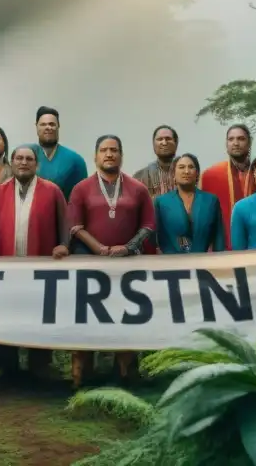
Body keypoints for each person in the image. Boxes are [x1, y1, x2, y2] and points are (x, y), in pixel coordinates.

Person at [66, 135, 155, 387]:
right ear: (95, 157)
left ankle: (126, 373)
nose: (109, 154)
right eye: (103, 150)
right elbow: (75, 226)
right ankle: (82, 375)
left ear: (121, 156)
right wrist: (101, 249)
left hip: (128, 266)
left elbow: (148, 224)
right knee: (88, 319)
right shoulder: (81, 188)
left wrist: (128, 248)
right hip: (91, 264)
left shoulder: (137, 188)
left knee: (126, 317)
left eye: (114, 150)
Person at [0, 145, 69, 379]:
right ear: (12, 162)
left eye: (29, 159)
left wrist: (64, 245)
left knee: (38, 316)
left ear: (36, 164)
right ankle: (7, 367)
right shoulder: (0, 192)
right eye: (19, 158)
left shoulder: (52, 191)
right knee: (7, 316)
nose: (24, 162)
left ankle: (39, 366)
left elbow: (65, 225)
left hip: (40, 268)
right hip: (7, 267)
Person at [154, 154, 225, 254]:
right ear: (173, 174)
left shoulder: (210, 201)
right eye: (181, 167)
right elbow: (154, 239)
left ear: (197, 173)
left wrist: (219, 264)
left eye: (191, 167)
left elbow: (219, 239)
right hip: (171, 264)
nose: (186, 171)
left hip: (203, 263)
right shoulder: (161, 202)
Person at [201, 124, 256, 250]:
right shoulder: (211, 175)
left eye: (241, 139)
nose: (235, 143)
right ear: (226, 144)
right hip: (222, 247)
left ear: (249, 143)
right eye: (231, 139)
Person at [31, 106, 88, 200]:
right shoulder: (25, 158)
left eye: (52, 124)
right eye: (43, 124)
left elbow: (82, 198)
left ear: (58, 126)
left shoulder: (75, 161)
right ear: (36, 126)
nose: (48, 127)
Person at [133, 125, 178, 198]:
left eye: (168, 139)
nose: (164, 143)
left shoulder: (187, 173)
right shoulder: (139, 177)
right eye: (160, 139)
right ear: (153, 144)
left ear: (176, 144)